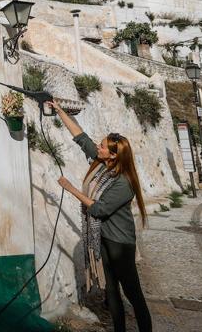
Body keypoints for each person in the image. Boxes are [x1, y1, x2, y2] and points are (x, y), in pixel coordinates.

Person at [51, 100, 152, 332]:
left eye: (103, 146)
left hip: (120, 243)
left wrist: (71, 188)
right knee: (111, 290)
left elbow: (99, 209)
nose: (98, 146)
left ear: (114, 156)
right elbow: (81, 137)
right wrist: (58, 110)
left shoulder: (123, 182)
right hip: (104, 239)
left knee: (133, 293)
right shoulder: (100, 164)